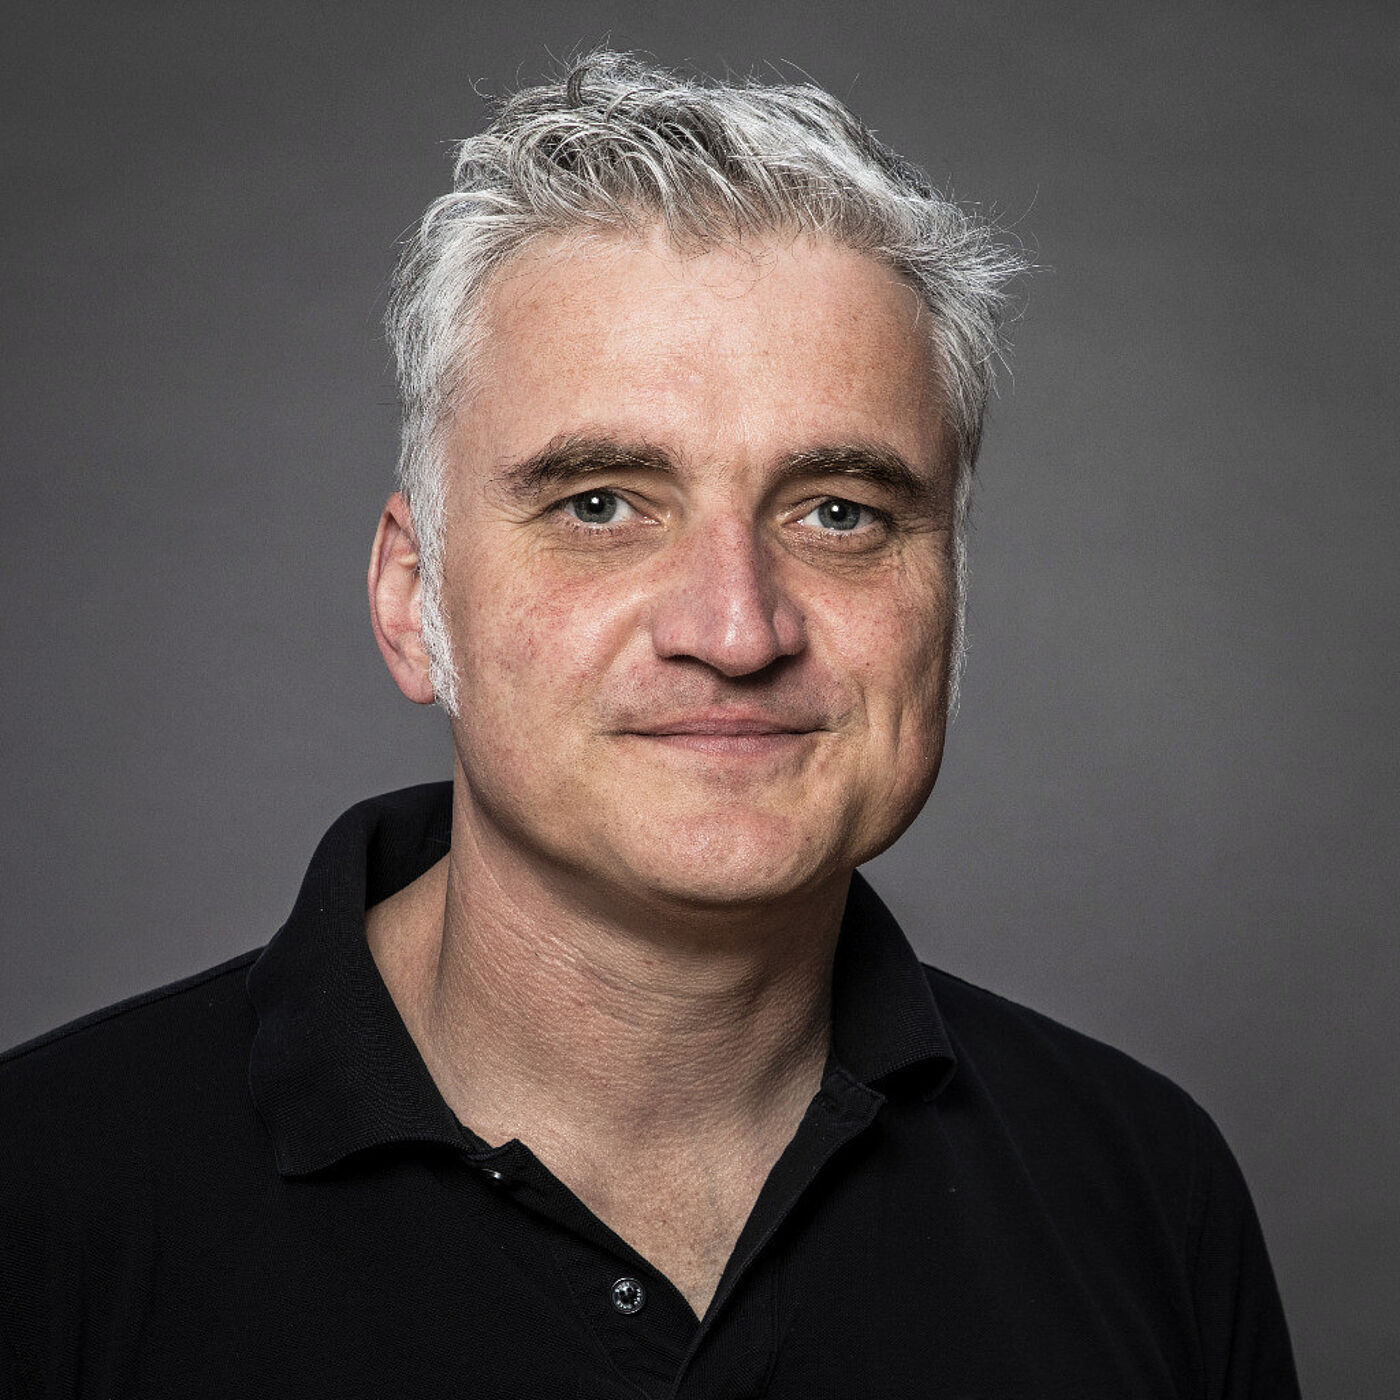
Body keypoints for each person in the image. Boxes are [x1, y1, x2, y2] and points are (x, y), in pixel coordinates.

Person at [0, 52, 1298, 1397]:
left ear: (950, 599)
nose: (736, 630)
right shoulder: (40, 1204)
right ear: (412, 601)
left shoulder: (1146, 1193)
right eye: (602, 505)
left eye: (840, 513)